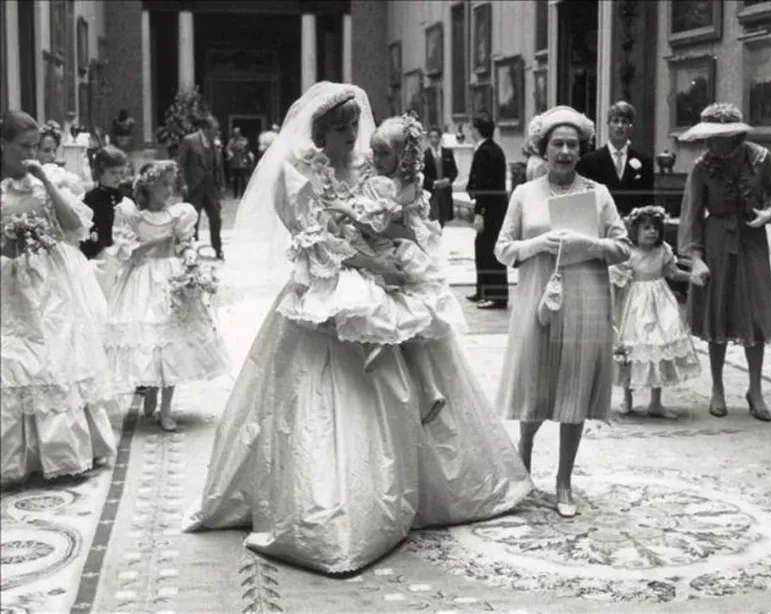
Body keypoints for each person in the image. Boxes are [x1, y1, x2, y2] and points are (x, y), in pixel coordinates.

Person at [182, 82, 532, 575]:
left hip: (383, 280)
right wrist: (368, 261)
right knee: (326, 396)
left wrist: (392, 250)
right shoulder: (300, 175)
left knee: (416, 344)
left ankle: (429, 486)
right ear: (320, 133)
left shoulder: (373, 170)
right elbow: (313, 242)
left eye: (353, 127)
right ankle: (335, 503)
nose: (351, 136)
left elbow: (401, 219)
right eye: (340, 129)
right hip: (330, 290)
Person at [278, 114, 467, 424]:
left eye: (384, 154)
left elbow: (385, 224)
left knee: (405, 315)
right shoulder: (334, 176)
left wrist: (349, 212)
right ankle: (422, 382)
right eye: (342, 127)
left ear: (401, 157)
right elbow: (322, 236)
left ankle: (418, 378)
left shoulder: (390, 184)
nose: (354, 135)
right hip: (363, 254)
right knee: (400, 316)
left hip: (392, 252)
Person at [494, 105, 630, 518]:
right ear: (543, 148)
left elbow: (623, 247)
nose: (566, 151)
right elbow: (502, 250)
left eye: (573, 144)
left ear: (581, 148)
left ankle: (564, 481)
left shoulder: (598, 194)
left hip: (586, 300)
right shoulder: (523, 194)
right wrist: (539, 244)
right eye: (558, 144)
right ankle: (524, 459)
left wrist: (588, 245)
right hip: (539, 300)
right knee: (536, 385)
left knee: (573, 387)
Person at [0, 109, 118, 485]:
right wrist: (11, 242)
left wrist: (45, 183)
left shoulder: (52, 179)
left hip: (52, 283)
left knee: (56, 359)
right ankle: (15, 458)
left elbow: (74, 228)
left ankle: (65, 449)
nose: (34, 153)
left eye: (37, 146)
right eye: (24, 147)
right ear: (3, 145)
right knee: (14, 360)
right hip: (10, 280)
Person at [677, 102, 771, 422]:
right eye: (710, 138)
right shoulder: (702, 166)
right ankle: (717, 388)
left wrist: (768, 213)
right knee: (719, 315)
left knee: (754, 314)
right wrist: (695, 259)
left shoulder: (761, 159)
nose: (714, 145)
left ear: (736, 135)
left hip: (752, 242)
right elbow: (691, 217)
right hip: (716, 242)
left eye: (720, 138)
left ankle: (755, 389)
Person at [104, 161, 230, 432]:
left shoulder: (179, 214)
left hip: (171, 279)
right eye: (163, 184)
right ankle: (150, 389)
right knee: (150, 339)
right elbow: (130, 253)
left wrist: (190, 258)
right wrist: (158, 242)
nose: (169, 189)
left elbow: (186, 243)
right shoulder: (134, 216)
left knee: (173, 340)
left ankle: (167, 408)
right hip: (143, 281)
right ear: (148, 186)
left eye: (171, 184)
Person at [610, 205, 700, 418]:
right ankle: (627, 398)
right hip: (635, 303)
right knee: (631, 350)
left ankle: (656, 402)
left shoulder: (663, 251)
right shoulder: (628, 253)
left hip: (661, 302)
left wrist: (691, 277)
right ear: (635, 231)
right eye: (646, 228)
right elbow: (616, 279)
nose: (652, 232)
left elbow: (673, 272)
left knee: (659, 347)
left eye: (655, 228)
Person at [576, 100, 654, 218]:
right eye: (615, 121)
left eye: (624, 122)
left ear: (631, 126)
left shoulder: (644, 162)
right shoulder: (590, 161)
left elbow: (647, 202)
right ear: (608, 124)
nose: (620, 126)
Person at [467, 113, 509, 309]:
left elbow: (484, 185)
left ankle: (496, 295)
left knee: (490, 252)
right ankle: (483, 290)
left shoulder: (484, 152)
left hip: (490, 209)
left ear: (477, 130)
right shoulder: (494, 149)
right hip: (495, 207)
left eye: (472, 128)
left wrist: (480, 212)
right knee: (483, 249)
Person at [177, 115, 225, 260]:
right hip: (194, 187)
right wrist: (183, 183)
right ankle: (192, 250)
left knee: (216, 219)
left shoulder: (215, 143)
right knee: (192, 221)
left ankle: (218, 248)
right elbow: (180, 163)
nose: (216, 133)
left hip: (211, 188)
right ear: (204, 129)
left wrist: (220, 184)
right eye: (213, 130)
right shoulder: (189, 141)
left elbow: (219, 165)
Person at [80, 145, 131, 261]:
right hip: (101, 256)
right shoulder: (90, 199)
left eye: (121, 173)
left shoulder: (127, 196)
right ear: (99, 173)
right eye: (113, 173)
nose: (118, 177)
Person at [38, 120, 86, 198]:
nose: (53, 156)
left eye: (54, 150)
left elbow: (79, 193)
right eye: (47, 151)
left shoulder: (59, 174)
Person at [421, 125, 458, 223]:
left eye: (436, 137)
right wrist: (433, 183)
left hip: (445, 191)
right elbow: (422, 174)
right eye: (431, 137)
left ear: (440, 138)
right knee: (434, 217)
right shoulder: (425, 155)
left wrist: (449, 180)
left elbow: (454, 171)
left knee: (444, 217)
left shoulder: (447, 153)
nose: (434, 139)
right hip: (432, 192)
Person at [226, 126, 254, 199]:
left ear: (240, 133)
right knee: (235, 179)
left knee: (243, 178)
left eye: (237, 132)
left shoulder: (244, 140)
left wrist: (248, 156)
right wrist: (230, 153)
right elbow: (227, 149)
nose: (236, 134)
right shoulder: (231, 141)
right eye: (235, 133)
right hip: (235, 160)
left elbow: (247, 149)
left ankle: (243, 194)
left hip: (242, 160)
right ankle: (235, 194)